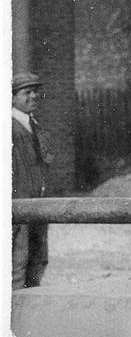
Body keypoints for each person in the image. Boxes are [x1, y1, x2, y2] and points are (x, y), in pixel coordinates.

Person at [11, 72, 52, 289]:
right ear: (12, 98)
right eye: (27, 92)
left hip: (38, 203)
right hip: (19, 205)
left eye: (35, 92)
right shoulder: (9, 128)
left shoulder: (33, 125)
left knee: (38, 259)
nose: (33, 96)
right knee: (18, 261)